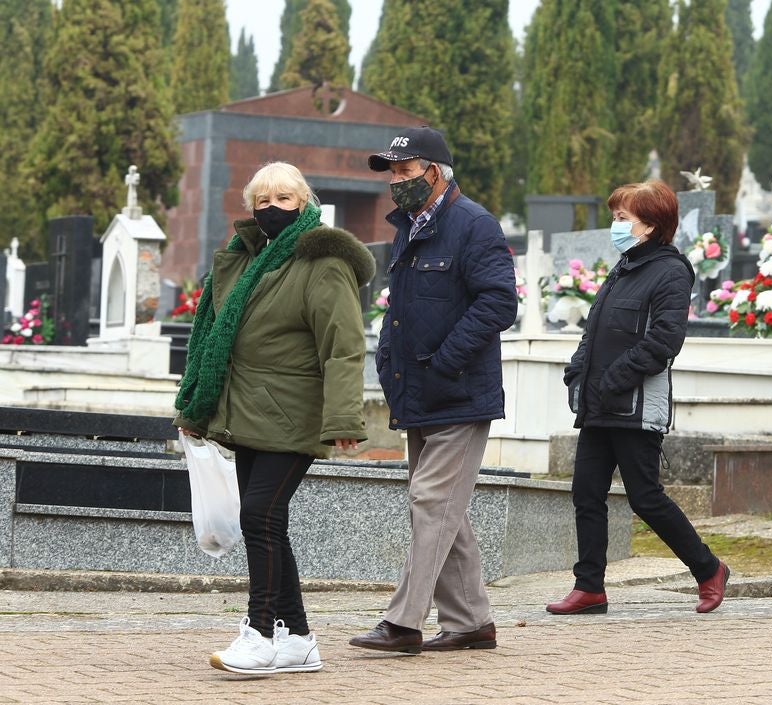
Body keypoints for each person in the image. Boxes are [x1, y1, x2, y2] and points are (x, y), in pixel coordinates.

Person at [174, 162, 375, 672]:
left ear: (305, 202)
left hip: (294, 413)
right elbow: (215, 339)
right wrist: (197, 406)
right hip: (248, 413)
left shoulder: (321, 261)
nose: (272, 209)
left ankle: (260, 633)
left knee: (259, 515)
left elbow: (343, 346)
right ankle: (299, 639)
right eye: (262, 201)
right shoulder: (248, 260)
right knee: (268, 522)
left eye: (284, 199)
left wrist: (344, 420)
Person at [349, 126, 517, 654]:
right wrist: (386, 360)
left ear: (436, 172)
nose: (396, 181)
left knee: (430, 501)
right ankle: (470, 622)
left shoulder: (473, 224)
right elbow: (402, 308)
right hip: (416, 394)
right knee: (446, 511)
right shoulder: (409, 227)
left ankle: (402, 623)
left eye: (405, 170)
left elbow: (498, 303)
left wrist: (445, 363)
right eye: (392, 172)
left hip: (459, 395)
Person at [547, 180, 728, 617]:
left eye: (622, 218)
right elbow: (595, 329)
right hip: (597, 405)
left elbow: (664, 341)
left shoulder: (671, 271)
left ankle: (708, 569)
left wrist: (612, 380)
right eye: (615, 217)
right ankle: (589, 587)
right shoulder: (624, 267)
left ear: (649, 224)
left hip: (634, 407)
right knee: (586, 493)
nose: (616, 226)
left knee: (646, 498)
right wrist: (578, 369)